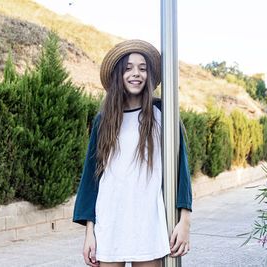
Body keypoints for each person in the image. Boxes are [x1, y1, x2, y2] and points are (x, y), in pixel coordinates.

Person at [73, 39, 192, 267]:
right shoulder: (104, 120)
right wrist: (90, 231)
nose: (135, 74)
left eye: (142, 68)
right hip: (109, 222)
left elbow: (181, 170)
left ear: (149, 75)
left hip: (148, 222)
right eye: (128, 68)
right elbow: (92, 178)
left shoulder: (162, 115)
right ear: (119, 74)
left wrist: (185, 221)